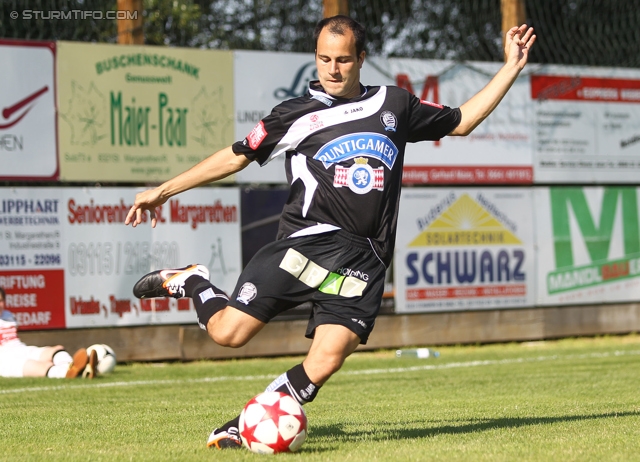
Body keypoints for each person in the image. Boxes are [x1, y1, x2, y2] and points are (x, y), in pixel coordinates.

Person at [125, 15, 536, 449]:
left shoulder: (394, 105)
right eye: (324, 59)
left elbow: (462, 121)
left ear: (361, 58)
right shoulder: (293, 115)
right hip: (306, 245)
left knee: (326, 359)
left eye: (343, 59)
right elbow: (235, 157)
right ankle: (193, 280)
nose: (332, 69)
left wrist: (510, 66)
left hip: (366, 258)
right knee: (228, 334)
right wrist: (164, 190)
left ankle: (244, 422)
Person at [0, 287, 98, 379]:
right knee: (40, 366)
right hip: (4, 358)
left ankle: (74, 367)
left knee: (56, 350)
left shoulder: (8, 315)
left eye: (1, 300)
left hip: (20, 348)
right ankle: (69, 372)